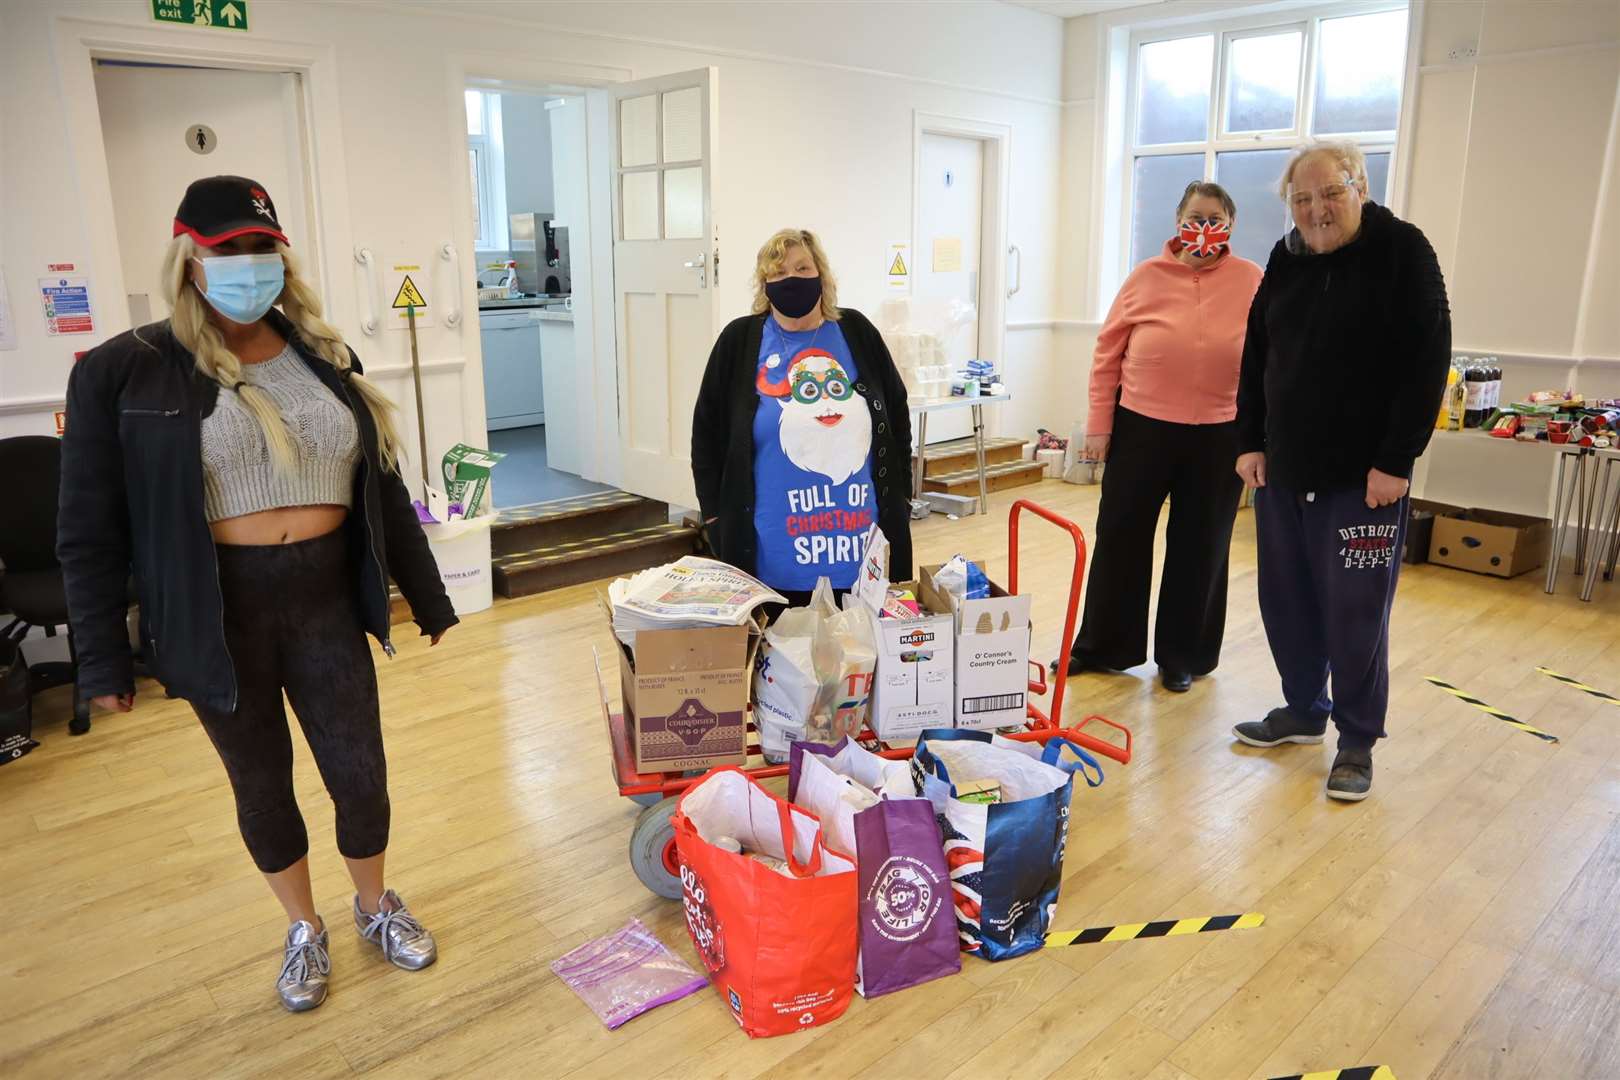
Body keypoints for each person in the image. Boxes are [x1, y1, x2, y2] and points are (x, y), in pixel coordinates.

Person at [58, 176, 458, 1011]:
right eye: (226, 249)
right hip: (217, 613)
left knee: (361, 775)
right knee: (262, 785)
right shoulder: (124, 371)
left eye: (260, 248)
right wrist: (101, 658)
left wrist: (428, 595)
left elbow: (381, 487)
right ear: (189, 258)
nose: (247, 264)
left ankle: (375, 906)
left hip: (323, 601)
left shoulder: (322, 355)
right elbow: (89, 529)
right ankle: (304, 928)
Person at [1231, 141, 1451, 802]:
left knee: (1355, 615)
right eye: (1302, 199)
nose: (1316, 210)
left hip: (1364, 483)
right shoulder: (1285, 257)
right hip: (1284, 470)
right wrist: (1249, 440)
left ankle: (1357, 738)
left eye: (1330, 193)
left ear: (1360, 185)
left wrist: (1394, 460)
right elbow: (1257, 354)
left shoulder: (1404, 252)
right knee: (1287, 602)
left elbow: (1427, 360)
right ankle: (1303, 710)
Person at [1059, 181, 1262, 693]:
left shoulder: (1251, 279)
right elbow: (1107, 356)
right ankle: (1104, 646)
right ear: (1177, 222)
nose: (1203, 227)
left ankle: (1182, 656)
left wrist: (1262, 436)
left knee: (1202, 544)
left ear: (1230, 225)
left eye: (1214, 217)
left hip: (1219, 432)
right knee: (1121, 537)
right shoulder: (1144, 277)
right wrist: (1098, 427)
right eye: (1194, 216)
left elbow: (1270, 360)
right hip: (1142, 426)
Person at [692, 228, 913, 601]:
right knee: (779, 654)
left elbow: (897, 418)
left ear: (821, 276)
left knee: (863, 655)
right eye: (777, 273)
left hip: (859, 553)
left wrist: (902, 497)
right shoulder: (738, 341)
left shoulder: (856, 331)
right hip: (771, 554)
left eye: (801, 267)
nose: (790, 279)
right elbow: (706, 436)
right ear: (764, 285)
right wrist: (714, 515)